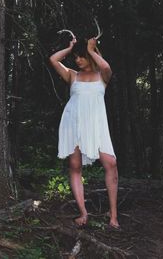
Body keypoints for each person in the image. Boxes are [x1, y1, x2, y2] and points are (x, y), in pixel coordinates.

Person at [49, 36, 120, 229]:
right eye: (76, 57)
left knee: (111, 164)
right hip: (74, 124)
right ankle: (83, 213)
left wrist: (91, 50)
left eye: (81, 57)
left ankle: (113, 217)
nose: (77, 60)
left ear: (90, 56)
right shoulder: (72, 75)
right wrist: (69, 47)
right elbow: (53, 60)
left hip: (97, 125)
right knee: (74, 165)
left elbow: (106, 68)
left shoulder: (102, 77)